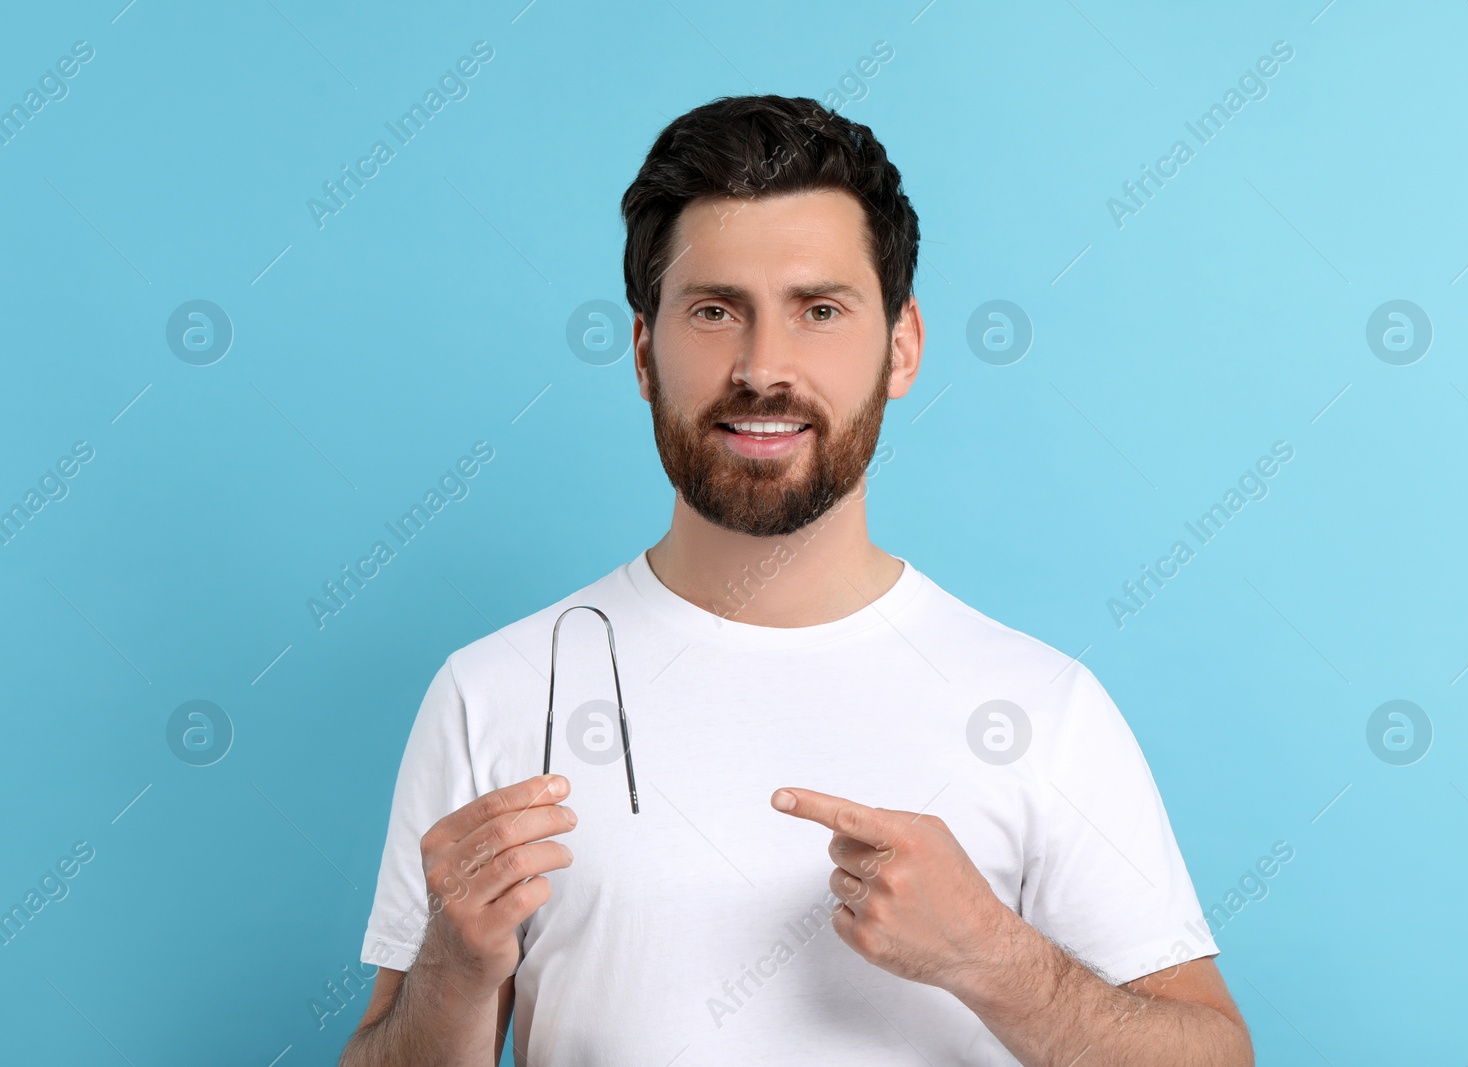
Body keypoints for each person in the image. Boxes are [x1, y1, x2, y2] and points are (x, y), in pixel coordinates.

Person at [340, 94, 1253, 1067]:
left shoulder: (1041, 705)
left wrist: (994, 954)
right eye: (713, 310)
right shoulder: (493, 690)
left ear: (900, 346)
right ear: (645, 352)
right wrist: (454, 970)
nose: (762, 366)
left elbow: (1214, 1053)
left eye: (818, 310)